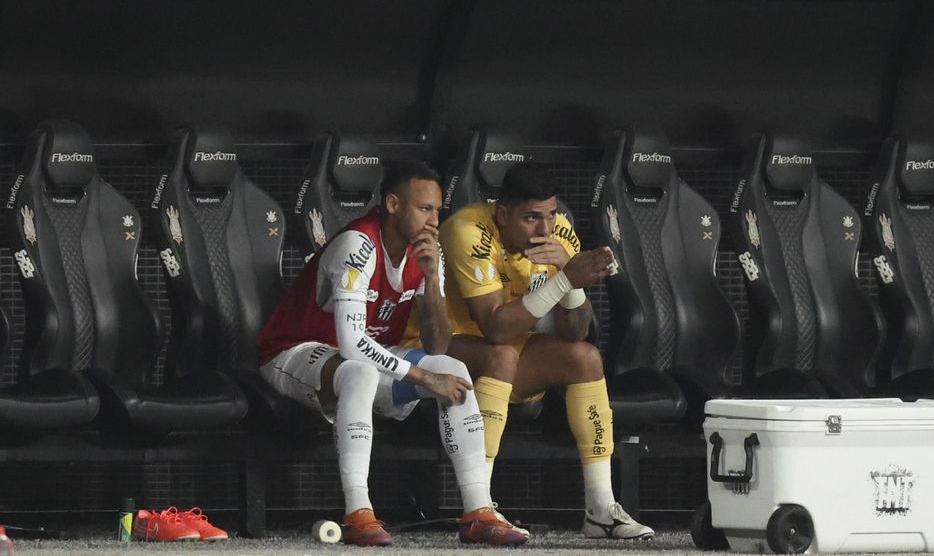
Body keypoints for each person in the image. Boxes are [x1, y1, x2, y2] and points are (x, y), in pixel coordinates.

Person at [257, 160, 527, 548]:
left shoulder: (428, 252)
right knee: (360, 372)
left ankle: (478, 513)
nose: (433, 221)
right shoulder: (358, 245)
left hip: (369, 355)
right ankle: (358, 513)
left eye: (437, 210)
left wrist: (431, 279)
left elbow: (437, 345)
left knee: (452, 367)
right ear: (393, 204)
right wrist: (424, 378)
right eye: (424, 208)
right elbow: (351, 344)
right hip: (292, 352)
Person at [440, 163, 654, 540]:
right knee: (501, 354)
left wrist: (571, 284)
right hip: (440, 349)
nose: (545, 229)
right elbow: (495, 329)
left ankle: (600, 509)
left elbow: (576, 330)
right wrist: (566, 279)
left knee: (584, 358)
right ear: (502, 215)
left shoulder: (560, 234)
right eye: (531, 218)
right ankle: (479, 508)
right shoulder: (469, 230)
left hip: (508, 351)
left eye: (551, 214)